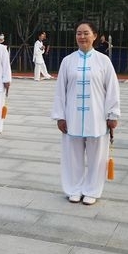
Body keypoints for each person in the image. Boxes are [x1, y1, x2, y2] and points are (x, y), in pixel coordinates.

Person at [52, 20, 120, 205]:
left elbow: (112, 89)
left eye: (86, 33)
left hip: (97, 117)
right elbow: (60, 91)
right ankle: (74, 189)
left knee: (97, 157)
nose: (82, 37)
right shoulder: (68, 61)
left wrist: (112, 114)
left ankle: (92, 190)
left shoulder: (103, 61)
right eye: (78, 33)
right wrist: (60, 116)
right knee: (72, 157)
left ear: (95, 36)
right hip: (72, 116)